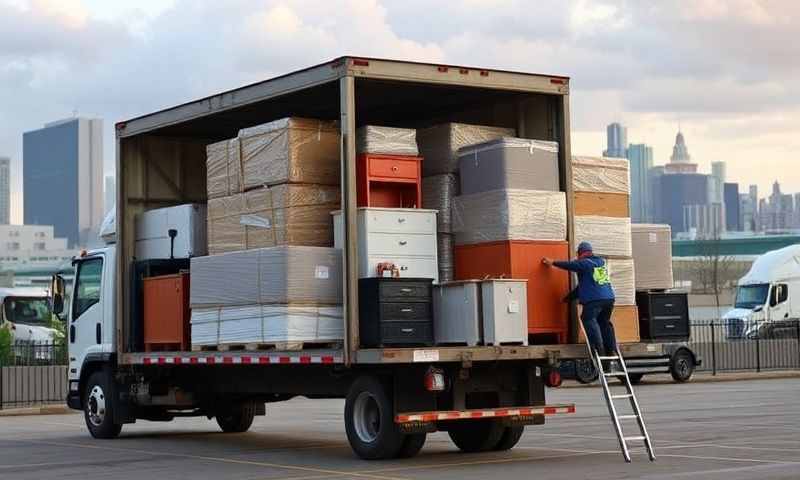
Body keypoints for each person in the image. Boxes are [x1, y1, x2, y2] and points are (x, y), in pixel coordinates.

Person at [542, 241, 618, 360]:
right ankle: (611, 349)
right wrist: (567, 299)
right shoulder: (600, 263)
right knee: (604, 322)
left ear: (580, 253)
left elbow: (571, 265)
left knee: (588, 318)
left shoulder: (584, 263)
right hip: (609, 299)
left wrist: (553, 262)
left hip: (594, 300)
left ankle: (599, 348)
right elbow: (581, 288)